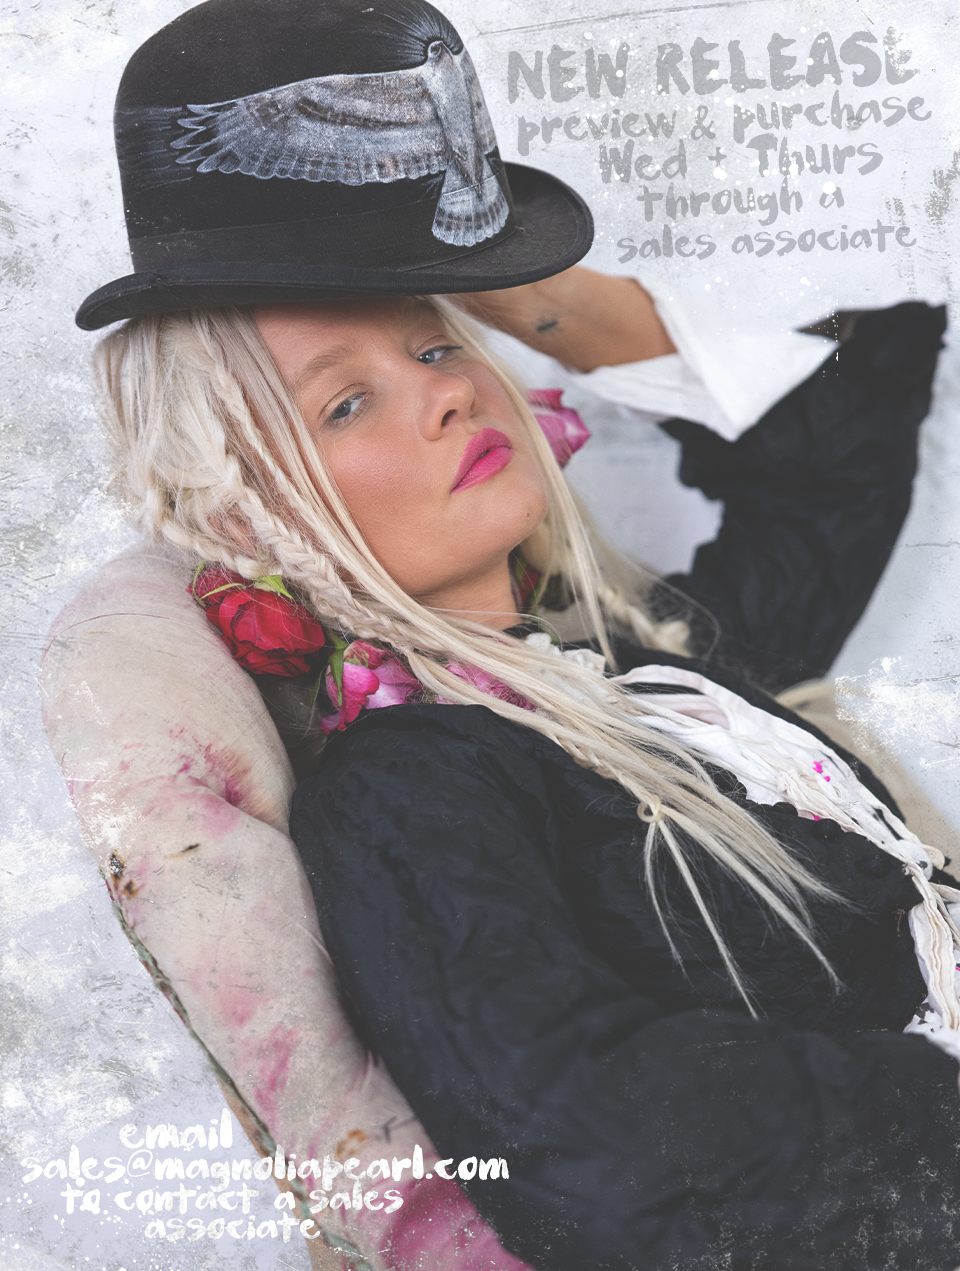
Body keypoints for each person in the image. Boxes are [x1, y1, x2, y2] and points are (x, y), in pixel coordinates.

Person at [41, 0, 959, 1268]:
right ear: (248, 511)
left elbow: (842, 439)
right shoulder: (409, 790)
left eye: (435, 341)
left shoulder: (650, 665)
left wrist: (498, 268)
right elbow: (594, 1154)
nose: (447, 392)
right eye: (348, 401)